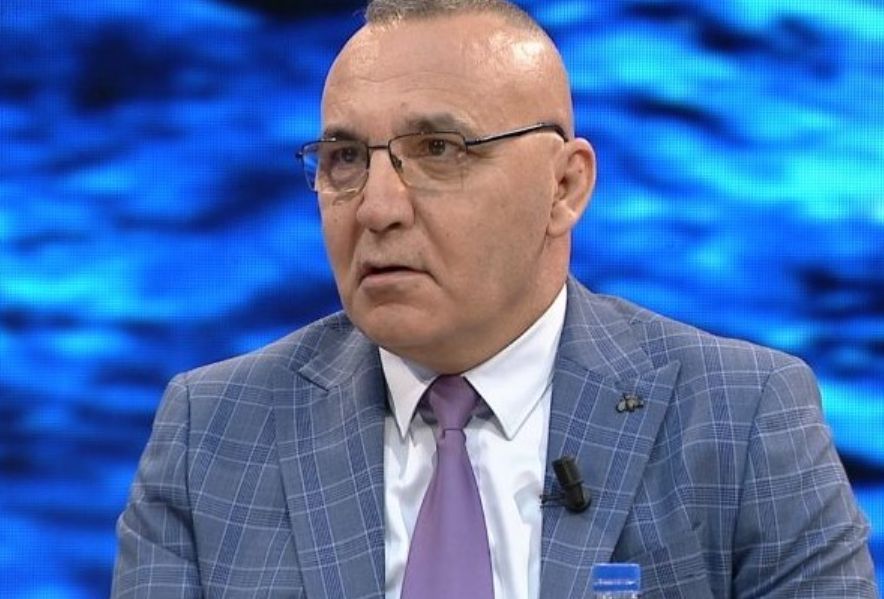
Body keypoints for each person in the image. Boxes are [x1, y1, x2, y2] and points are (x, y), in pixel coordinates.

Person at [112, 0, 877, 597]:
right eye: (344, 158)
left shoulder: (743, 417)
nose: (377, 207)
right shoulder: (210, 430)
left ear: (565, 186)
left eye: (438, 150)